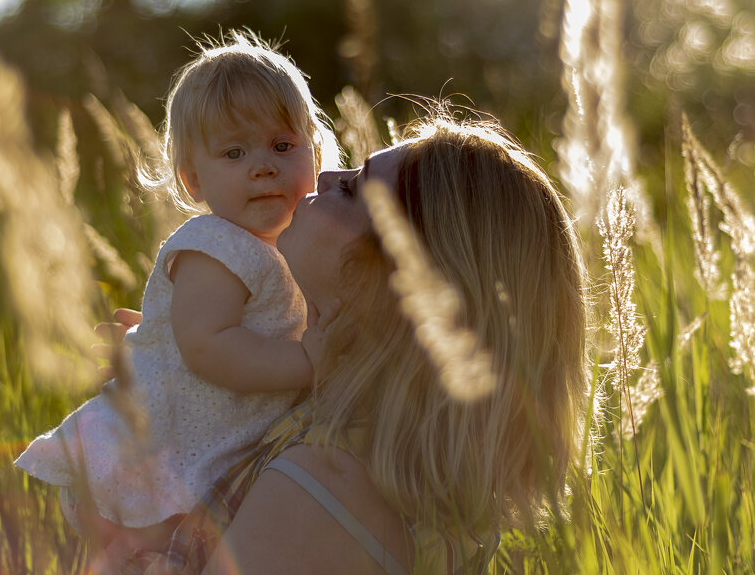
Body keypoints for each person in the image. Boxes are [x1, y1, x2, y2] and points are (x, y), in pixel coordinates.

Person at [113, 112, 590, 575]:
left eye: (351, 188)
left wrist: (104, 540)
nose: (321, 176)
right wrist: (174, 384)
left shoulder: (323, 490)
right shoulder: (373, 451)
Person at [15, 31, 340, 563]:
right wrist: (307, 361)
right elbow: (207, 346)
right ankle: (136, 550)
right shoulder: (214, 246)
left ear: (316, 152)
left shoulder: (286, 247)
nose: (263, 165)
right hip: (161, 449)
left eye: (283, 146)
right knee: (159, 543)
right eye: (234, 152)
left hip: (213, 437)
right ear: (192, 179)